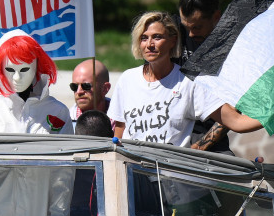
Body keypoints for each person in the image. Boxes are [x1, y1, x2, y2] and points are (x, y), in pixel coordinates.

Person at [106, 12, 261, 145]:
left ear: (173, 40)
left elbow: (236, 121)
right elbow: (120, 130)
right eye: (144, 38)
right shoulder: (127, 79)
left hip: (170, 176)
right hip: (134, 174)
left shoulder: (188, 81)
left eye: (157, 37)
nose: (149, 44)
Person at [0, 30, 72, 134]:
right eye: (10, 70)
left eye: (24, 69)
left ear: (37, 67)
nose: (17, 77)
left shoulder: (58, 111)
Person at [177, 0, 231, 153]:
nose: (190, 34)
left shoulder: (231, 46)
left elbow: (235, 105)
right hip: (171, 127)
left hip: (207, 133)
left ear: (216, 17)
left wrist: (201, 146)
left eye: (197, 27)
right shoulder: (171, 31)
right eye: (186, 27)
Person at [69, 59, 115, 132]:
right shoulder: (65, 121)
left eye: (86, 86)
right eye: (74, 86)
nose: (78, 92)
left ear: (105, 89)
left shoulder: (122, 120)